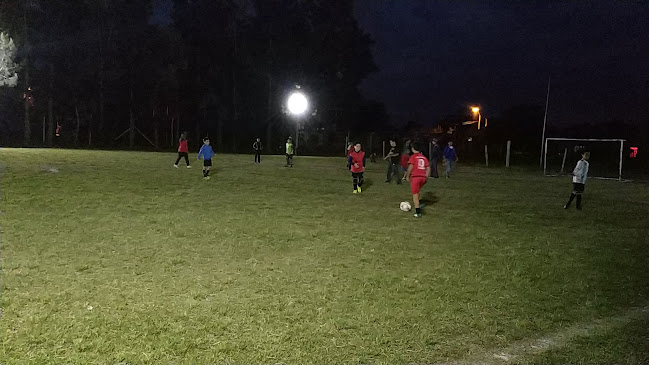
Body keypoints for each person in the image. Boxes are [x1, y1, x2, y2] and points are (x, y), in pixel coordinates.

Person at [405, 142, 431, 218]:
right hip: (423, 178)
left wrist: (407, 176)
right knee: (418, 191)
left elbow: (411, 167)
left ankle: (418, 212)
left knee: (415, 195)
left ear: (413, 149)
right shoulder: (423, 157)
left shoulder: (413, 157)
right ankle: (419, 204)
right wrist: (426, 176)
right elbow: (428, 167)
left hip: (416, 177)